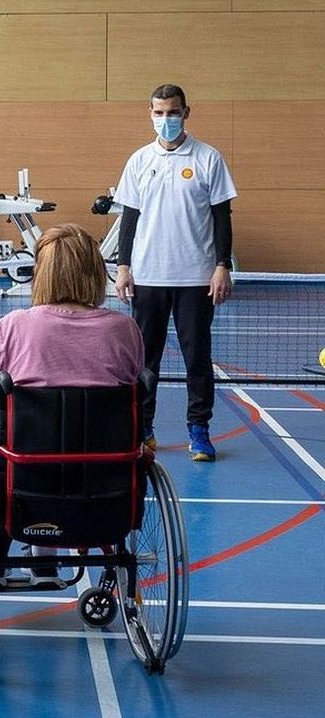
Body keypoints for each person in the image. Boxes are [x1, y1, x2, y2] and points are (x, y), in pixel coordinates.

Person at [0, 223, 144, 584]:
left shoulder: (15, 327)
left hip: (26, 478)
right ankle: (47, 558)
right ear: (95, 273)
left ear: (42, 274)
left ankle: (8, 559)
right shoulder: (125, 330)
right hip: (106, 480)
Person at [113, 83, 238, 462]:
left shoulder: (208, 159)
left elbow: (222, 218)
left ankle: (199, 431)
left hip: (196, 279)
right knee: (142, 361)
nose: (166, 119)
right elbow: (128, 220)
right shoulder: (138, 161)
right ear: (149, 114)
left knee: (196, 358)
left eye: (173, 112)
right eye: (159, 112)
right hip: (148, 278)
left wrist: (221, 266)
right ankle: (143, 429)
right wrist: (122, 267)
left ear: (187, 112)